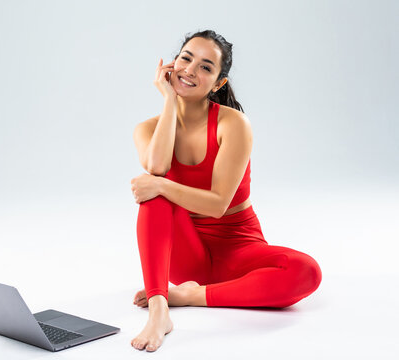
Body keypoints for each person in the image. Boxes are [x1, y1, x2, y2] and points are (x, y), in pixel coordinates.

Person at [129, 30, 322, 352]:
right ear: (172, 64)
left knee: (306, 272)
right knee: (155, 197)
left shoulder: (233, 124)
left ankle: (189, 296)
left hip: (238, 247)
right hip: (185, 253)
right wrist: (168, 100)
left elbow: (218, 204)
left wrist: (160, 184)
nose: (190, 70)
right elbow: (158, 168)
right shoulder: (147, 128)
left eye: (206, 67)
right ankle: (160, 311)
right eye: (186, 58)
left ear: (218, 83)